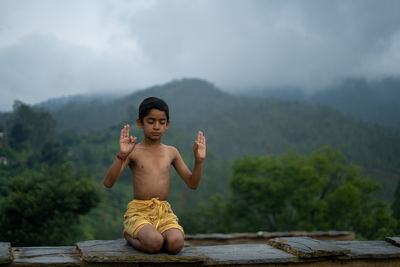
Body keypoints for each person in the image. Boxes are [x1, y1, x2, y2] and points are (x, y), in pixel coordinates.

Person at [103, 97, 206, 254]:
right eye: (151, 121)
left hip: (163, 213)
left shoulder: (171, 152)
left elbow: (192, 184)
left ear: (167, 124)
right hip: (140, 212)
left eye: (161, 122)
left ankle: (155, 238)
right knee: (154, 243)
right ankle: (129, 236)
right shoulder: (134, 152)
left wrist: (199, 161)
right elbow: (108, 182)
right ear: (140, 122)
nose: (156, 127)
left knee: (176, 244)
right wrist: (122, 155)